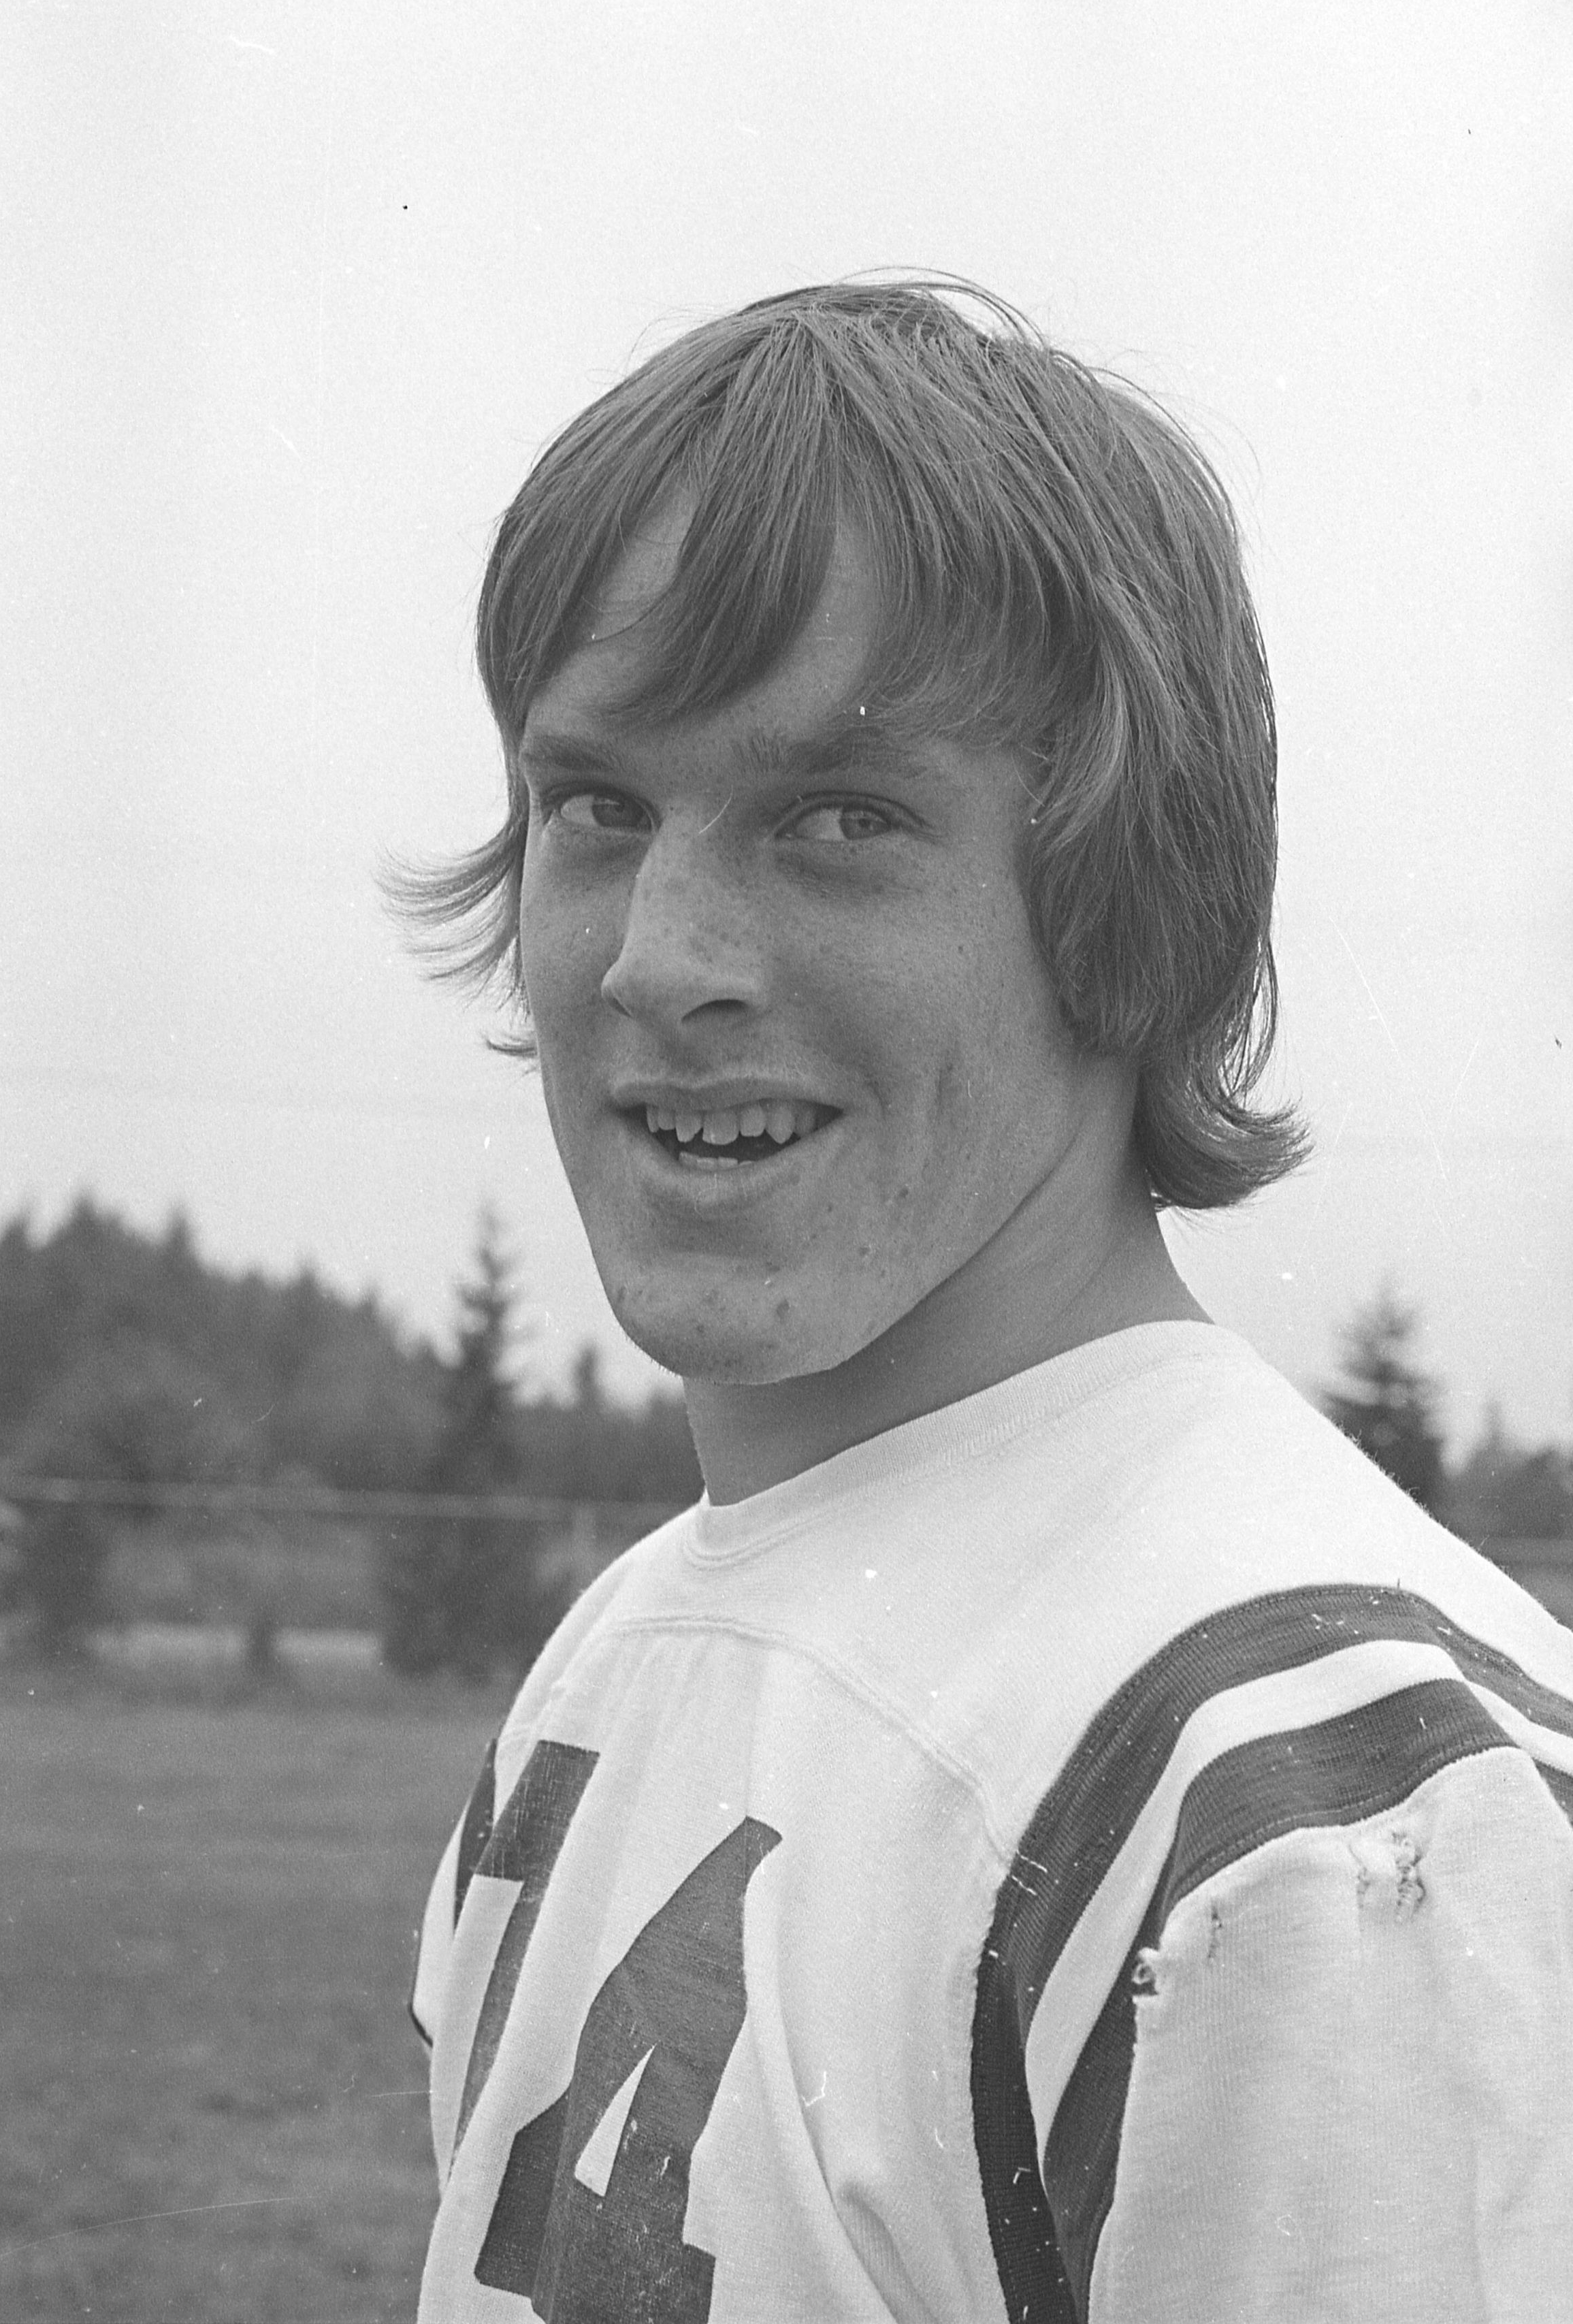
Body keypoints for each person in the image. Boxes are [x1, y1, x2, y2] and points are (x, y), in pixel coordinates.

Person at [404, 281, 1573, 2322]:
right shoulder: (623, 1647)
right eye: (600, 807)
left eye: (838, 821)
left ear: (1134, 909)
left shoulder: (1319, 1805)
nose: (657, 958)